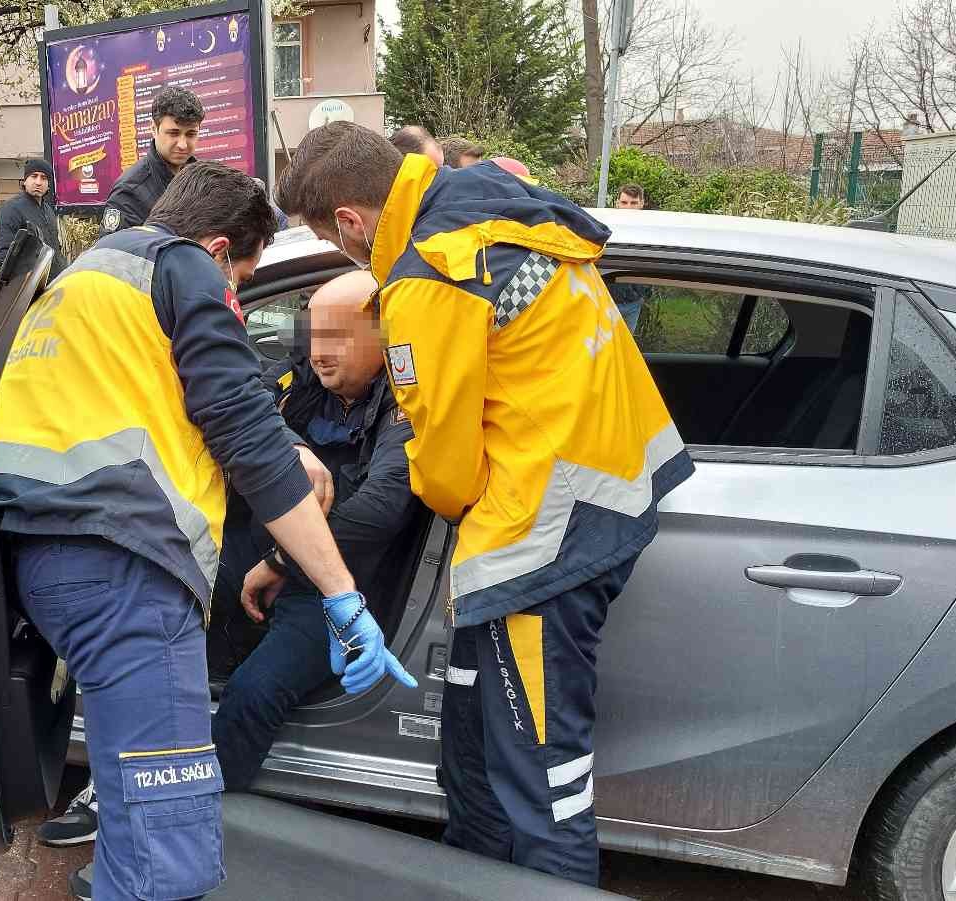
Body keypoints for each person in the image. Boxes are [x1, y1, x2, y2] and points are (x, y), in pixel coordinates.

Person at [276, 122, 693, 887]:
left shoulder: (428, 275)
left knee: (542, 779)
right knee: (476, 748)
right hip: (603, 486)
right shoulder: (486, 202)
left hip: (542, 537)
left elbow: (446, 474)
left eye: (340, 248)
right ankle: (476, 877)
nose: (352, 262)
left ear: (348, 219)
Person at [0, 161, 415, 901]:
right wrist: (341, 591)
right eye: (242, 283)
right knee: (168, 852)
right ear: (218, 250)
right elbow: (244, 430)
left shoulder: (87, 276)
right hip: (125, 574)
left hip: (45, 560)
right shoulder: (183, 266)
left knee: (133, 813)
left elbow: (187, 394)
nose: (235, 301)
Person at [213, 269, 424, 792]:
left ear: (384, 337)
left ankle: (204, 818)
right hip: (259, 564)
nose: (319, 353)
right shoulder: (300, 381)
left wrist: (282, 562)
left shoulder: (407, 408)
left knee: (251, 694)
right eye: (314, 337)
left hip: (331, 594)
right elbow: (243, 398)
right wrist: (290, 445)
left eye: (338, 339)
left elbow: (380, 509)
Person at [100, 86, 202, 234]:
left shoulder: (202, 180)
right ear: (153, 129)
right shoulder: (129, 191)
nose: (182, 144)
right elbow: (113, 253)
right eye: (173, 133)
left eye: (191, 134)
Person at [0, 158, 68, 276]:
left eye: (44, 178)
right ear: (25, 181)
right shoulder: (11, 209)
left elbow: (54, 248)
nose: (38, 182)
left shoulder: (48, 210)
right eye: (34, 176)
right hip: (31, 286)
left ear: (48, 185)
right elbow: (3, 256)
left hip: (53, 282)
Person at [610, 184, 651, 330]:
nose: (628, 207)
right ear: (617, 204)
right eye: (624, 202)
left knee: (626, 347)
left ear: (641, 203)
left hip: (634, 303)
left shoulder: (651, 231)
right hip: (607, 302)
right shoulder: (607, 227)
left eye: (633, 203)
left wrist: (643, 292)